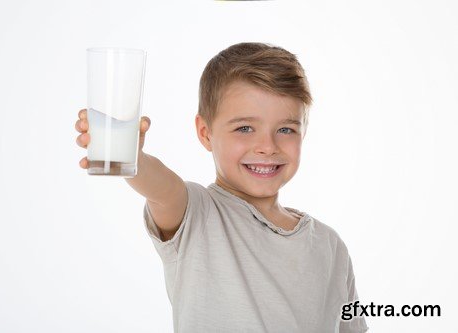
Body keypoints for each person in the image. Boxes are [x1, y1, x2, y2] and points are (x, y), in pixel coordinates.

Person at [75, 42, 369, 332]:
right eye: (245, 128)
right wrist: (132, 156)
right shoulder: (196, 216)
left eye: (286, 129)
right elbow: (162, 189)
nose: (267, 146)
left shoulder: (331, 247)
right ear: (205, 133)